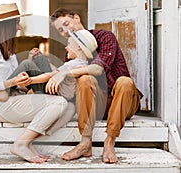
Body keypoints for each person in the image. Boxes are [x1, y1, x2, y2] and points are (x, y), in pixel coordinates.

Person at [0, 3, 75, 163]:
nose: (18, 27)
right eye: (16, 23)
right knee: (60, 103)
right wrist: (11, 83)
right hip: (1, 105)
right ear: (6, 26)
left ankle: (29, 138)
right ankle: (21, 144)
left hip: (13, 96)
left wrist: (29, 63)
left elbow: (15, 79)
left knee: (69, 107)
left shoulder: (7, 47)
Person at [49, 8, 143, 163]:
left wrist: (65, 73)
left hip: (123, 101)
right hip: (100, 104)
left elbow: (98, 69)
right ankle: (85, 142)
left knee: (124, 82)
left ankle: (109, 141)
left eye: (66, 24)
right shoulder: (71, 51)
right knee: (84, 79)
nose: (65, 31)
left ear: (77, 18)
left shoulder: (104, 37)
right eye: (60, 30)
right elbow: (72, 88)